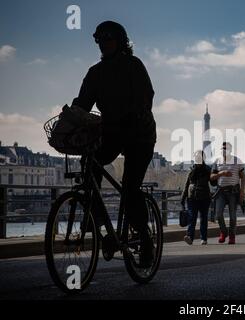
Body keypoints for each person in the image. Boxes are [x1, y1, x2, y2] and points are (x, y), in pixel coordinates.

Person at [72, 21, 157, 267]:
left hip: (139, 134)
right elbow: (83, 103)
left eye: (108, 39)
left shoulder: (133, 65)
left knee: (130, 189)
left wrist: (134, 115)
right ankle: (99, 223)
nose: (104, 43)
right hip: (112, 133)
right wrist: (72, 117)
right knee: (90, 165)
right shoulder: (95, 73)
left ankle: (145, 239)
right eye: (100, 39)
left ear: (120, 41)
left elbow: (146, 97)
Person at [210, 142, 245, 244]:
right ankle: (223, 232)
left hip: (233, 192)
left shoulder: (236, 161)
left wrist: (242, 192)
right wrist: (221, 173)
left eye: (226, 148)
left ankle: (232, 236)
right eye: (222, 148)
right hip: (220, 191)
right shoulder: (217, 161)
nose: (224, 150)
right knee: (218, 215)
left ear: (230, 150)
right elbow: (211, 177)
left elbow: (243, 177)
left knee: (232, 216)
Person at [181, 151, 212, 245]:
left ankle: (204, 238)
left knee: (203, 218)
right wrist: (183, 197)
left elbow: (213, 182)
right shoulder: (192, 170)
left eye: (199, 157)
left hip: (204, 197)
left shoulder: (207, 169)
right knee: (192, 218)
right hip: (192, 197)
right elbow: (187, 185)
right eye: (196, 157)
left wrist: (216, 175)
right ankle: (190, 237)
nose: (197, 159)